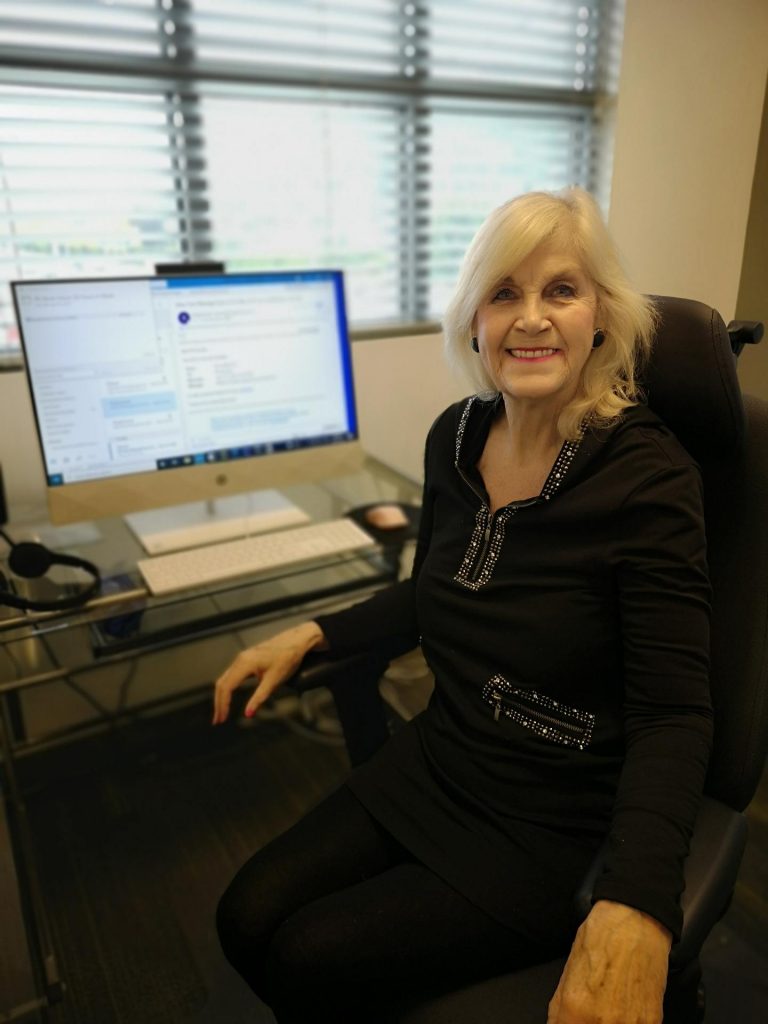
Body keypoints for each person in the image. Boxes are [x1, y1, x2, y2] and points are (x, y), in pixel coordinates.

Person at [213, 187, 712, 1024]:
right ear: (473, 320)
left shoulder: (649, 479)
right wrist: (313, 632)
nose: (531, 319)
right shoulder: (455, 436)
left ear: (602, 317)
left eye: (562, 290)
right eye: (503, 293)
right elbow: (431, 592)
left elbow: (675, 714)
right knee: (244, 917)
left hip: (558, 818)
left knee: (307, 960)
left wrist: (638, 899)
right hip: (444, 758)